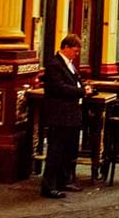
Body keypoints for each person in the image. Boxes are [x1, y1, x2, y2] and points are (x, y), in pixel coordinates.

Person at [41, 34, 92, 199]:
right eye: (75, 51)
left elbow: (74, 82)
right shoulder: (55, 65)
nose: (76, 55)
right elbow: (59, 88)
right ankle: (49, 186)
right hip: (60, 114)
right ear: (66, 47)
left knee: (68, 151)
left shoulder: (69, 65)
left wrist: (84, 88)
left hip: (71, 114)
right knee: (56, 150)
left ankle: (64, 181)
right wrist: (81, 91)